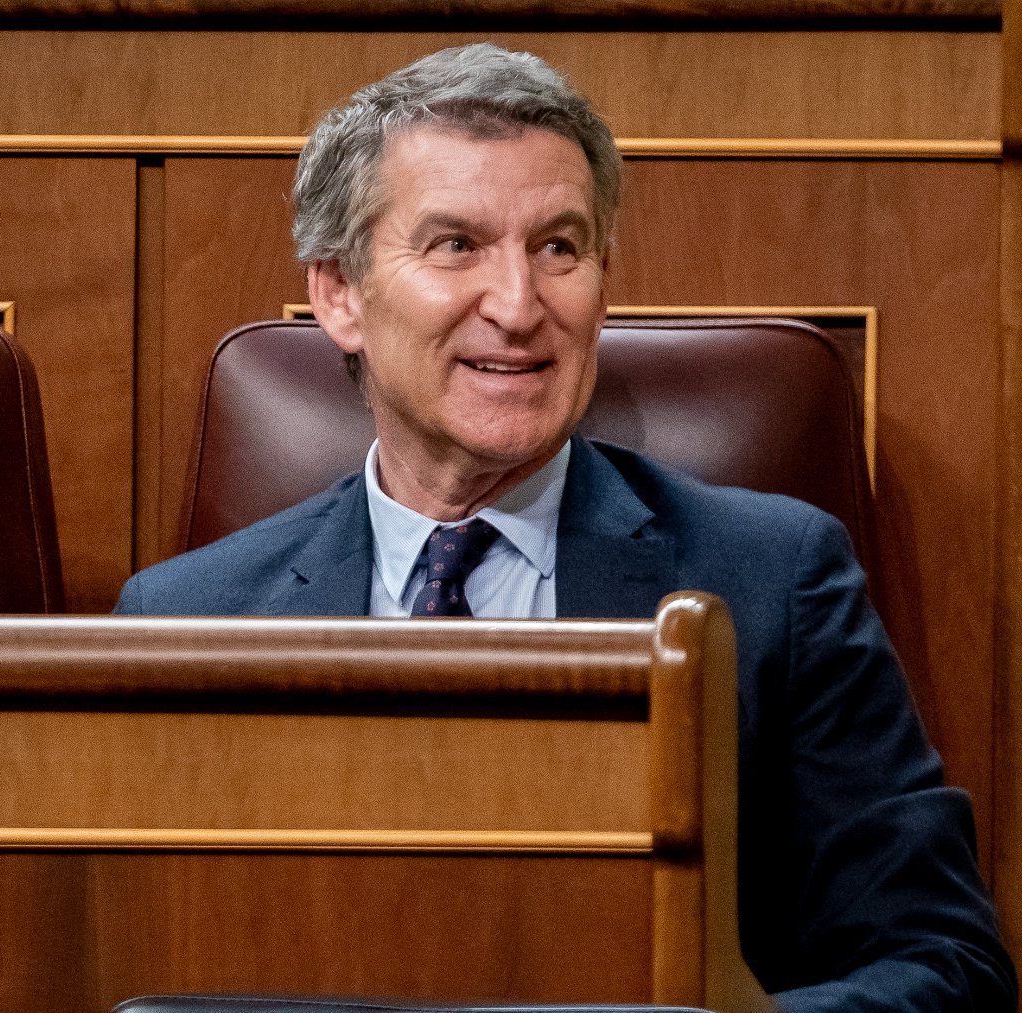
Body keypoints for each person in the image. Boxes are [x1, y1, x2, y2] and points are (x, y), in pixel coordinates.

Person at [116, 43, 1014, 1010]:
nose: (519, 306)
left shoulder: (775, 580)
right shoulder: (183, 619)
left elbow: (947, 966)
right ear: (339, 293)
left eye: (559, 248)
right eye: (456, 245)